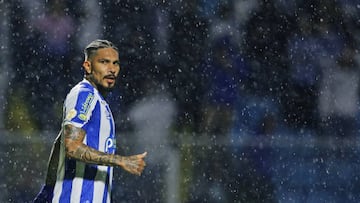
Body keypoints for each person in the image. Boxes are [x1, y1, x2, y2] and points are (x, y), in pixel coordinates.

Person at [33, 39, 147, 203]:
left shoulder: (99, 101)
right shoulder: (85, 94)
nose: (112, 69)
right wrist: (120, 160)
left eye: (115, 63)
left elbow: (60, 144)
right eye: (104, 62)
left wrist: (49, 188)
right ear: (87, 66)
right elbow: (72, 147)